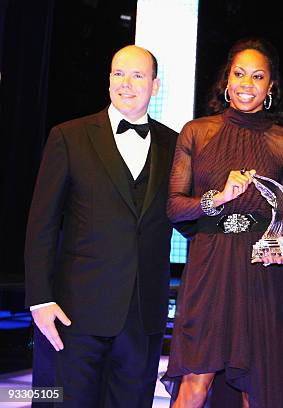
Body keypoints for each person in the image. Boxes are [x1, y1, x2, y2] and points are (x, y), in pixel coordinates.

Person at [24, 45, 178, 407]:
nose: (127, 83)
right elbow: (41, 224)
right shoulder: (69, 136)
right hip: (74, 314)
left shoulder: (176, 145)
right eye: (118, 74)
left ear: (155, 86)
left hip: (143, 316)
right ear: (108, 81)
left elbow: (185, 215)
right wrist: (40, 300)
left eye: (138, 75)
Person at [161, 38, 283, 408]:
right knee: (195, 379)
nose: (246, 83)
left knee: (255, 384)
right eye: (239, 73)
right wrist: (218, 198)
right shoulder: (197, 132)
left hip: (259, 272)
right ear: (227, 79)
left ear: (270, 88)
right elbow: (174, 208)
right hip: (209, 267)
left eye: (257, 76)